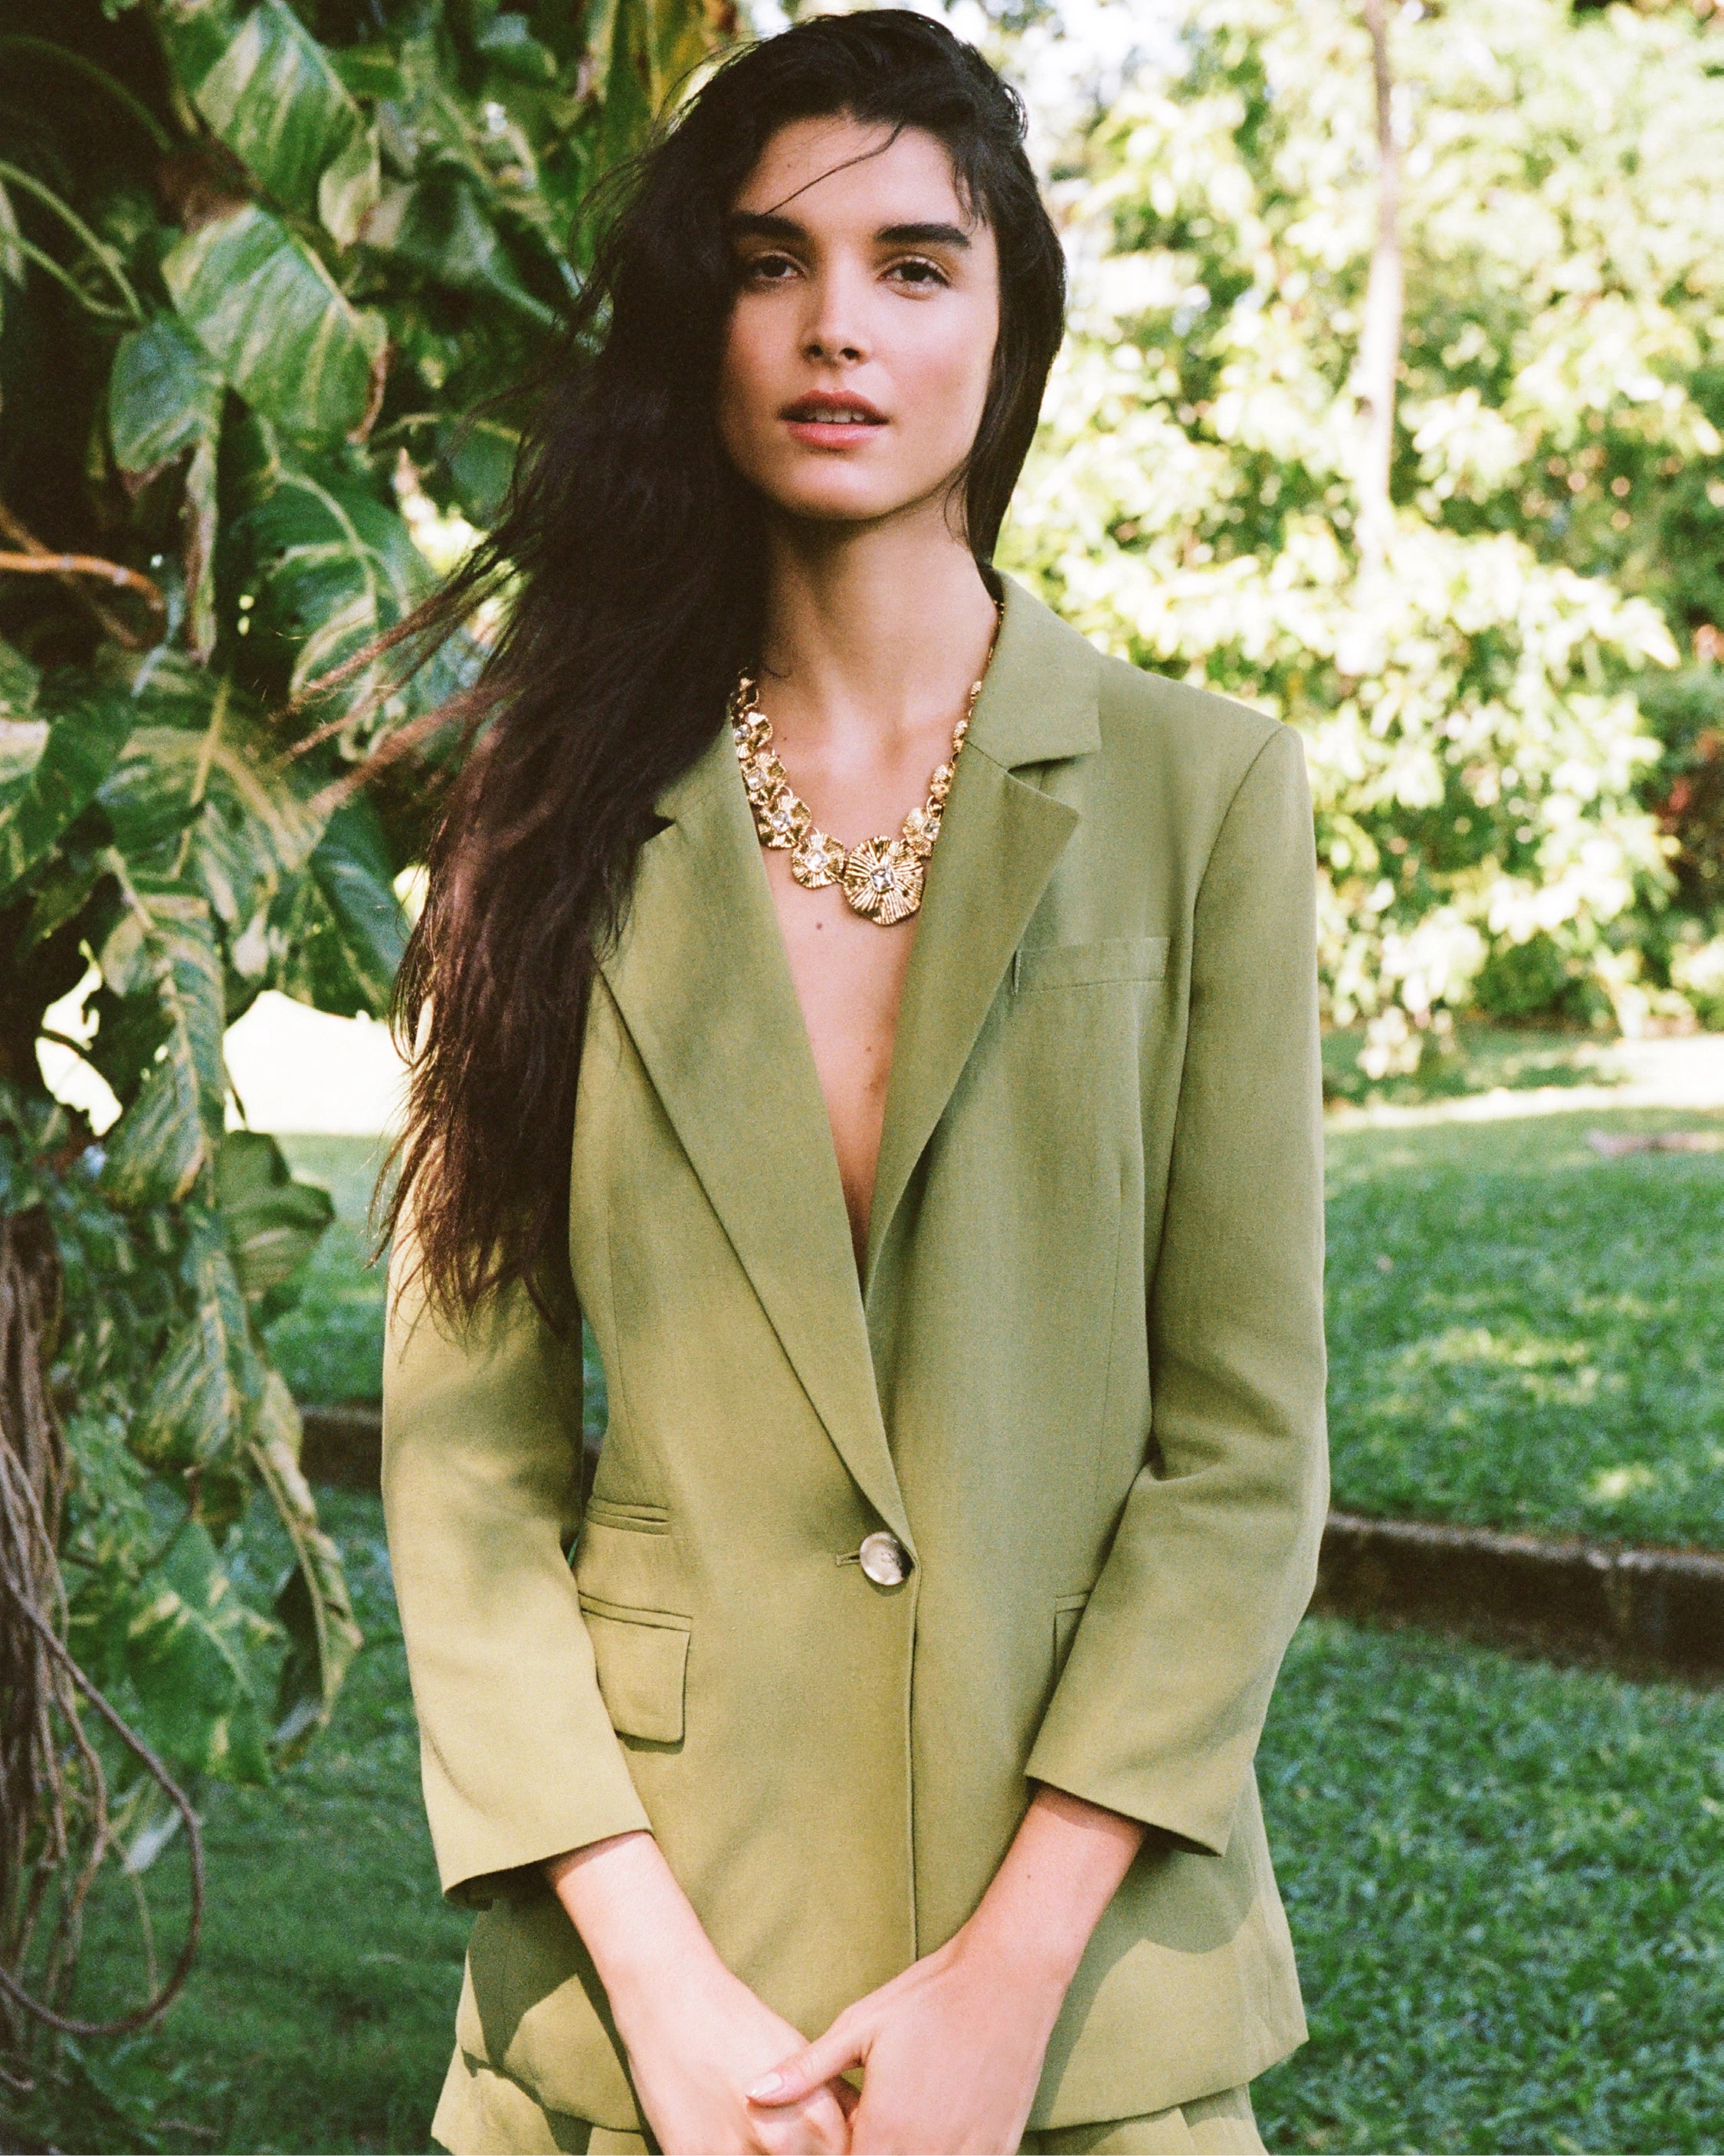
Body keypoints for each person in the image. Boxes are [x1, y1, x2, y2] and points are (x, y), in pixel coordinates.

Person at [376, 13, 1328, 2154]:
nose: (838, 326)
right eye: (768, 263)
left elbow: (1244, 1451)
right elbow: (463, 1470)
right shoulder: (536, 817)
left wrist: (1004, 1987)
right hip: (639, 2024)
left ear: (1009, 326)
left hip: (1081, 2021)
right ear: (695, 325)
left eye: (913, 264)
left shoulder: (1203, 793)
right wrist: (660, 1996)